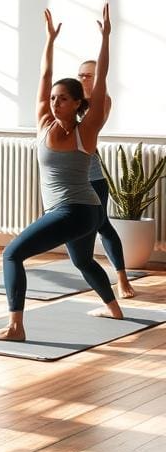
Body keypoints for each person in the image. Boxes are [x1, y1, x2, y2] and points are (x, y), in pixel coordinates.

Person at [0, 6, 123, 341]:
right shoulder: (44, 123)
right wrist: (49, 41)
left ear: (78, 103)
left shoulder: (86, 130)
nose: (55, 102)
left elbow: (101, 81)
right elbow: (44, 77)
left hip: (74, 209)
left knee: (12, 254)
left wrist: (105, 40)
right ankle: (115, 308)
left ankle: (16, 326)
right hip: (83, 211)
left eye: (63, 99)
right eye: (53, 98)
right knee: (83, 261)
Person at [78, 58, 133, 298]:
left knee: (102, 225)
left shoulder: (102, 101)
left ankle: (121, 278)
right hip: (71, 176)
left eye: (88, 75)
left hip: (92, 174)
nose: (82, 79)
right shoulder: (69, 100)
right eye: (80, 75)